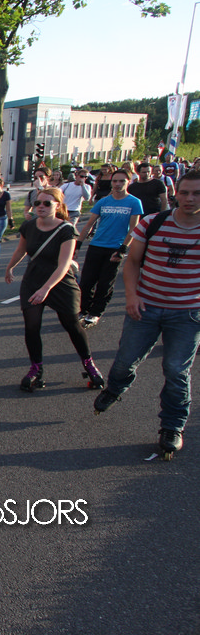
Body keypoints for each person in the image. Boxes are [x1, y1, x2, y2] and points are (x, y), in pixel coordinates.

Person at [92, 170, 200, 458]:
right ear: (175, 193)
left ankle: (172, 427)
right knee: (125, 361)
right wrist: (132, 296)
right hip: (146, 307)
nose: (190, 198)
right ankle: (115, 388)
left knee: (177, 371)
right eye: (185, 192)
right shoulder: (154, 223)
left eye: (197, 193)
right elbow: (132, 263)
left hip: (187, 314)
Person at [4, 189, 104, 392]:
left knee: (72, 325)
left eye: (47, 203)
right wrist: (10, 267)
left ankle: (89, 363)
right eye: (38, 203)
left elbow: (64, 265)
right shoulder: (29, 226)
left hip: (60, 283)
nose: (41, 206)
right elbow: (21, 249)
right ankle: (36, 368)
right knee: (32, 326)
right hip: (34, 280)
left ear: (57, 206)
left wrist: (46, 288)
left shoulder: (66, 230)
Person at [75, 167, 143, 329]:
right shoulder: (104, 201)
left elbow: (134, 229)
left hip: (115, 248)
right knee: (87, 281)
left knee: (105, 283)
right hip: (96, 245)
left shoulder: (134, 202)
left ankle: (95, 312)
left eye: (122, 181)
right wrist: (78, 245)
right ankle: (83, 309)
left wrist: (123, 249)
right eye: (115, 181)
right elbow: (89, 225)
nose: (117, 184)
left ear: (129, 182)